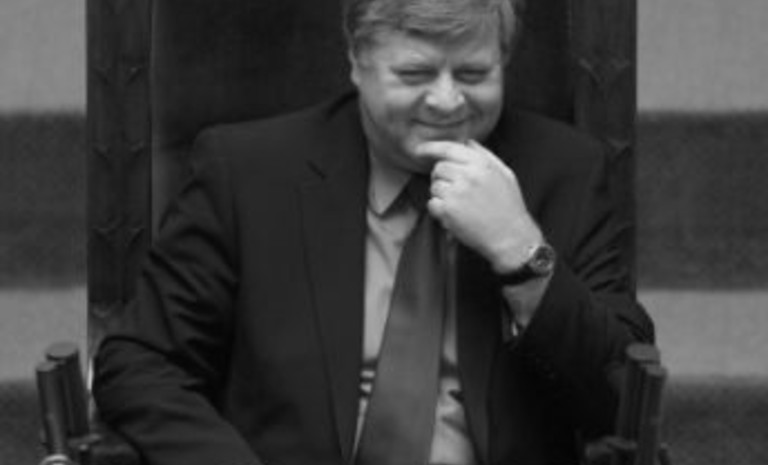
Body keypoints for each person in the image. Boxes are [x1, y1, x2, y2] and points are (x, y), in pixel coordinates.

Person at [93, 0, 654, 464]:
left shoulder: (563, 172)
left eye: (473, 74)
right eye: (414, 74)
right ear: (357, 61)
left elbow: (624, 398)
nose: (447, 101)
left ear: (504, 60)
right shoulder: (249, 173)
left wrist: (521, 251)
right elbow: (141, 363)